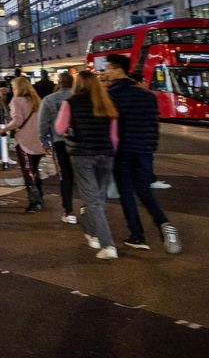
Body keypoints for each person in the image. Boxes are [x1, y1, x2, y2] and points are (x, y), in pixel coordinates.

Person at [103, 55, 181, 254]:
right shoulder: (147, 95)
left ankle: (137, 234)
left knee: (127, 193)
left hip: (124, 151)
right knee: (145, 191)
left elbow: (110, 126)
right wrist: (150, 147)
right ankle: (163, 223)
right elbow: (154, 125)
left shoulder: (111, 94)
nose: (106, 73)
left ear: (117, 69)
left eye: (108, 68)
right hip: (144, 150)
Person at [54, 70, 120, 260]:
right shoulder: (107, 103)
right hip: (105, 154)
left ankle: (107, 244)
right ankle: (90, 231)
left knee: (92, 200)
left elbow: (59, 128)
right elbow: (114, 137)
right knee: (98, 198)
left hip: (82, 154)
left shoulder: (71, 103)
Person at [0, 77, 45, 212]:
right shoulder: (36, 100)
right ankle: (40, 196)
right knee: (35, 169)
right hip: (38, 140)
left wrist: (4, 129)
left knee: (27, 170)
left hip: (25, 140)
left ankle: (34, 200)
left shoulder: (17, 101)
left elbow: (17, 121)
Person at [38, 72, 77, 224]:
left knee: (65, 176)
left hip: (59, 141)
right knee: (83, 175)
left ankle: (69, 210)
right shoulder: (80, 97)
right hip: (80, 142)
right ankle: (88, 205)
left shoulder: (49, 100)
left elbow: (43, 124)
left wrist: (44, 142)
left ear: (59, 82)